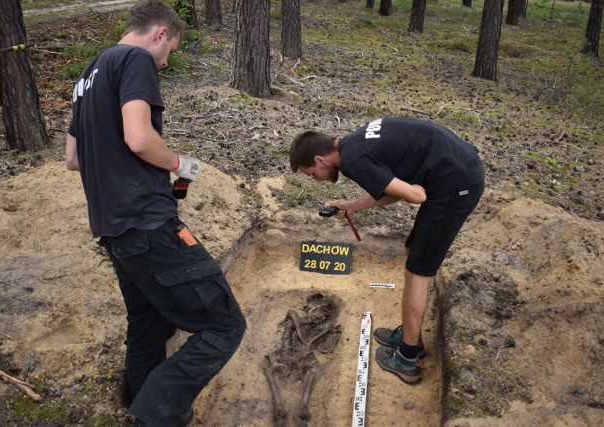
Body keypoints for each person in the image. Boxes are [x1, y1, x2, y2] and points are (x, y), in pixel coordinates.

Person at [64, 1, 246, 425]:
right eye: (170, 52)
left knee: (149, 323)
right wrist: (178, 164)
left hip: (114, 229)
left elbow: (72, 157)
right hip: (147, 221)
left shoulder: (88, 75)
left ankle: (135, 403)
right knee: (223, 325)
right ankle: (153, 415)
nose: (165, 63)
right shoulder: (134, 58)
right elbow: (139, 137)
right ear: (160, 34)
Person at [289, 117, 484, 385]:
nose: (316, 180)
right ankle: (411, 334)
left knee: (419, 271)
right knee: (411, 251)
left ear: (320, 160)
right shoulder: (355, 144)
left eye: (312, 174)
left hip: (455, 185)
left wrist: (416, 188)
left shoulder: (355, 161)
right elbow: (393, 189)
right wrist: (352, 204)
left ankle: (406, 358)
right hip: (453, 170)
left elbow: (416, 196)